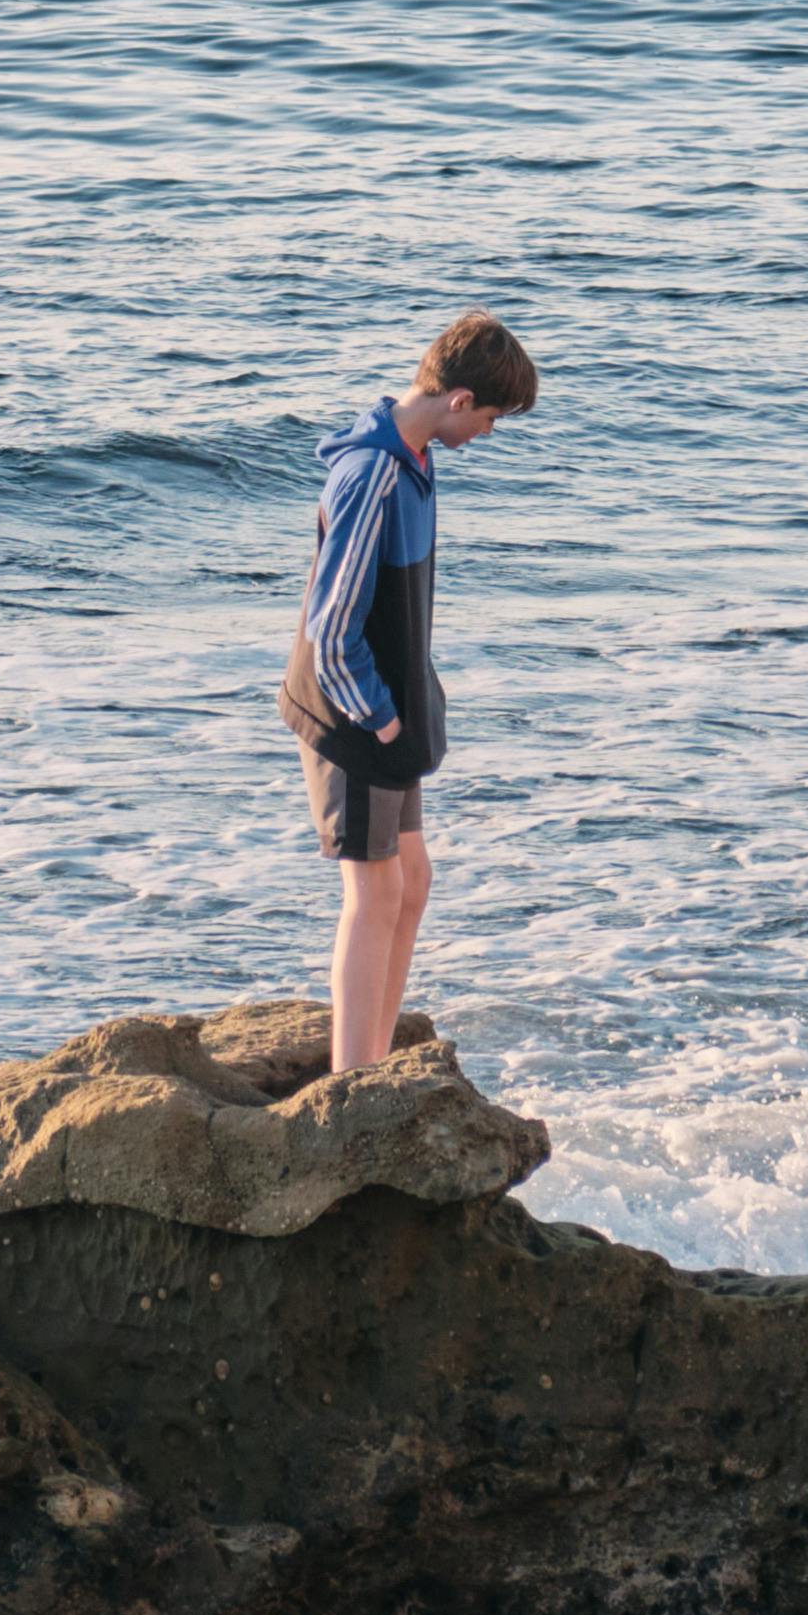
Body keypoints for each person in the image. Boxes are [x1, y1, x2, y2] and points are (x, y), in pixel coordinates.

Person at [280, 312, 539, 1076]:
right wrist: (384, 720)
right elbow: (331, 630)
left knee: (412, 880)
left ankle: (376, 1055)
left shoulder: (416, 458)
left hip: (388, 711)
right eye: (490, 417)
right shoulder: (373, 475)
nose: (490, 433)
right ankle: (350, 1080)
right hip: (349, 715)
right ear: (459, 399)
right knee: (374, 891)